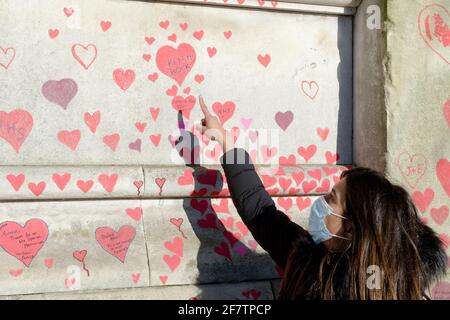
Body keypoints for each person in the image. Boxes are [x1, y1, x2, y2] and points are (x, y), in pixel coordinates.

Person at [195, 95, 448, 300]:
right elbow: (261, 212)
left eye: (331, 198)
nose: (320, 203)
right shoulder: (309, 258)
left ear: (350, 228)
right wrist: (226, 143)